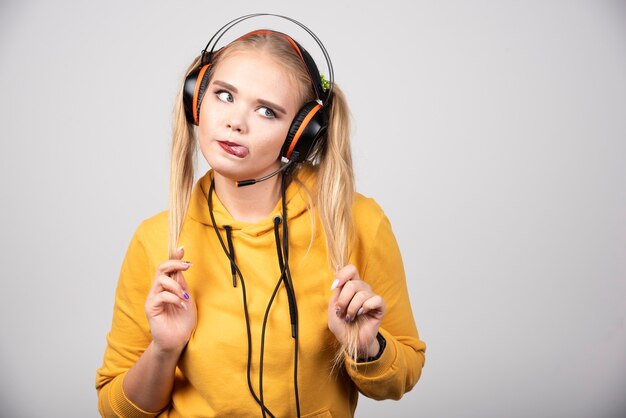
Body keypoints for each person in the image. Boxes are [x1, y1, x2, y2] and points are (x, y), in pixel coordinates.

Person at [96, 14, 426, 418]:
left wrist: (365, 347)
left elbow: (402, 376)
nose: (235, 121)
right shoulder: (155, 238)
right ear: (196, 98)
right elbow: (115, 412)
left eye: (267, 111)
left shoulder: (357, 221)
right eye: (224, 95)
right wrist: (164, 350)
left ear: (300, 134)